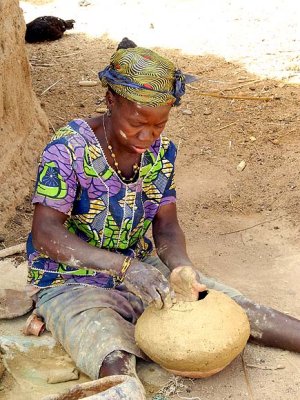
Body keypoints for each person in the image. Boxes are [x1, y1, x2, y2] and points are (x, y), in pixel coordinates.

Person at [27, 47, 300, 398]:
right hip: (70, 280)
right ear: (111, 100)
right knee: (110, 348)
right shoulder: (67, 150)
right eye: (138, 123)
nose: (148, 136)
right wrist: (124, 269)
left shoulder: (160, 153)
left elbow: (167, 228)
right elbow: (45, 233)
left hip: (144, 267)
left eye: (159, 124)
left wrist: (181, 268)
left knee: (238, 309)